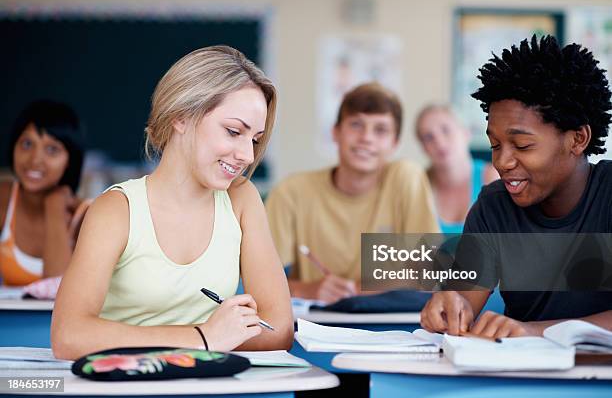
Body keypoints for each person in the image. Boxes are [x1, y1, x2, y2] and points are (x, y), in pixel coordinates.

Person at [51, 46, 293, 360]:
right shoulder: (116, 209)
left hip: (210, 387)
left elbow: (278, 328)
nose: (248, 155)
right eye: (234, 132)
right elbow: (69, 336)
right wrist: (202, 337)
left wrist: (208, 339)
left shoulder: (241, 198)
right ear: (180, 116)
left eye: (255, 139)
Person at [420, 35, 612, 337]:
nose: (503, 162)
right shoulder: (494, 207)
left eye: (522, 145)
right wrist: (448, 306)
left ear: (577, 139)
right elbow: (461, 300)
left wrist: (532, 331)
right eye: (495, 145)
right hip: (523, 377)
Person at [266, 82, 439, 304]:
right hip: (315, 323)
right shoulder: (290, 192)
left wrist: (354, 290)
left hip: (389, 324)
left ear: (395, 143)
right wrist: (309, 289)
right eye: (356, 124)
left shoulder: (406, 178)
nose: (366, 137)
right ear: (336, 132)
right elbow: (259, 283)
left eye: (380, 130)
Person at [0, 100, 89, 287]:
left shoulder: (83, 215)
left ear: (70, 161)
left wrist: (54, 207)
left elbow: (56, 287)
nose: (35, 159)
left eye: (51, 149)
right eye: (26, 144)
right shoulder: (5, 197)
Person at [415, 105, 498, 233]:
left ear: (466, 133)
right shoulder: (418, 187)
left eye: (446, 130)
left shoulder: (493, 178)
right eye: (428, 137)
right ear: (423, 148)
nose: (439, 141)